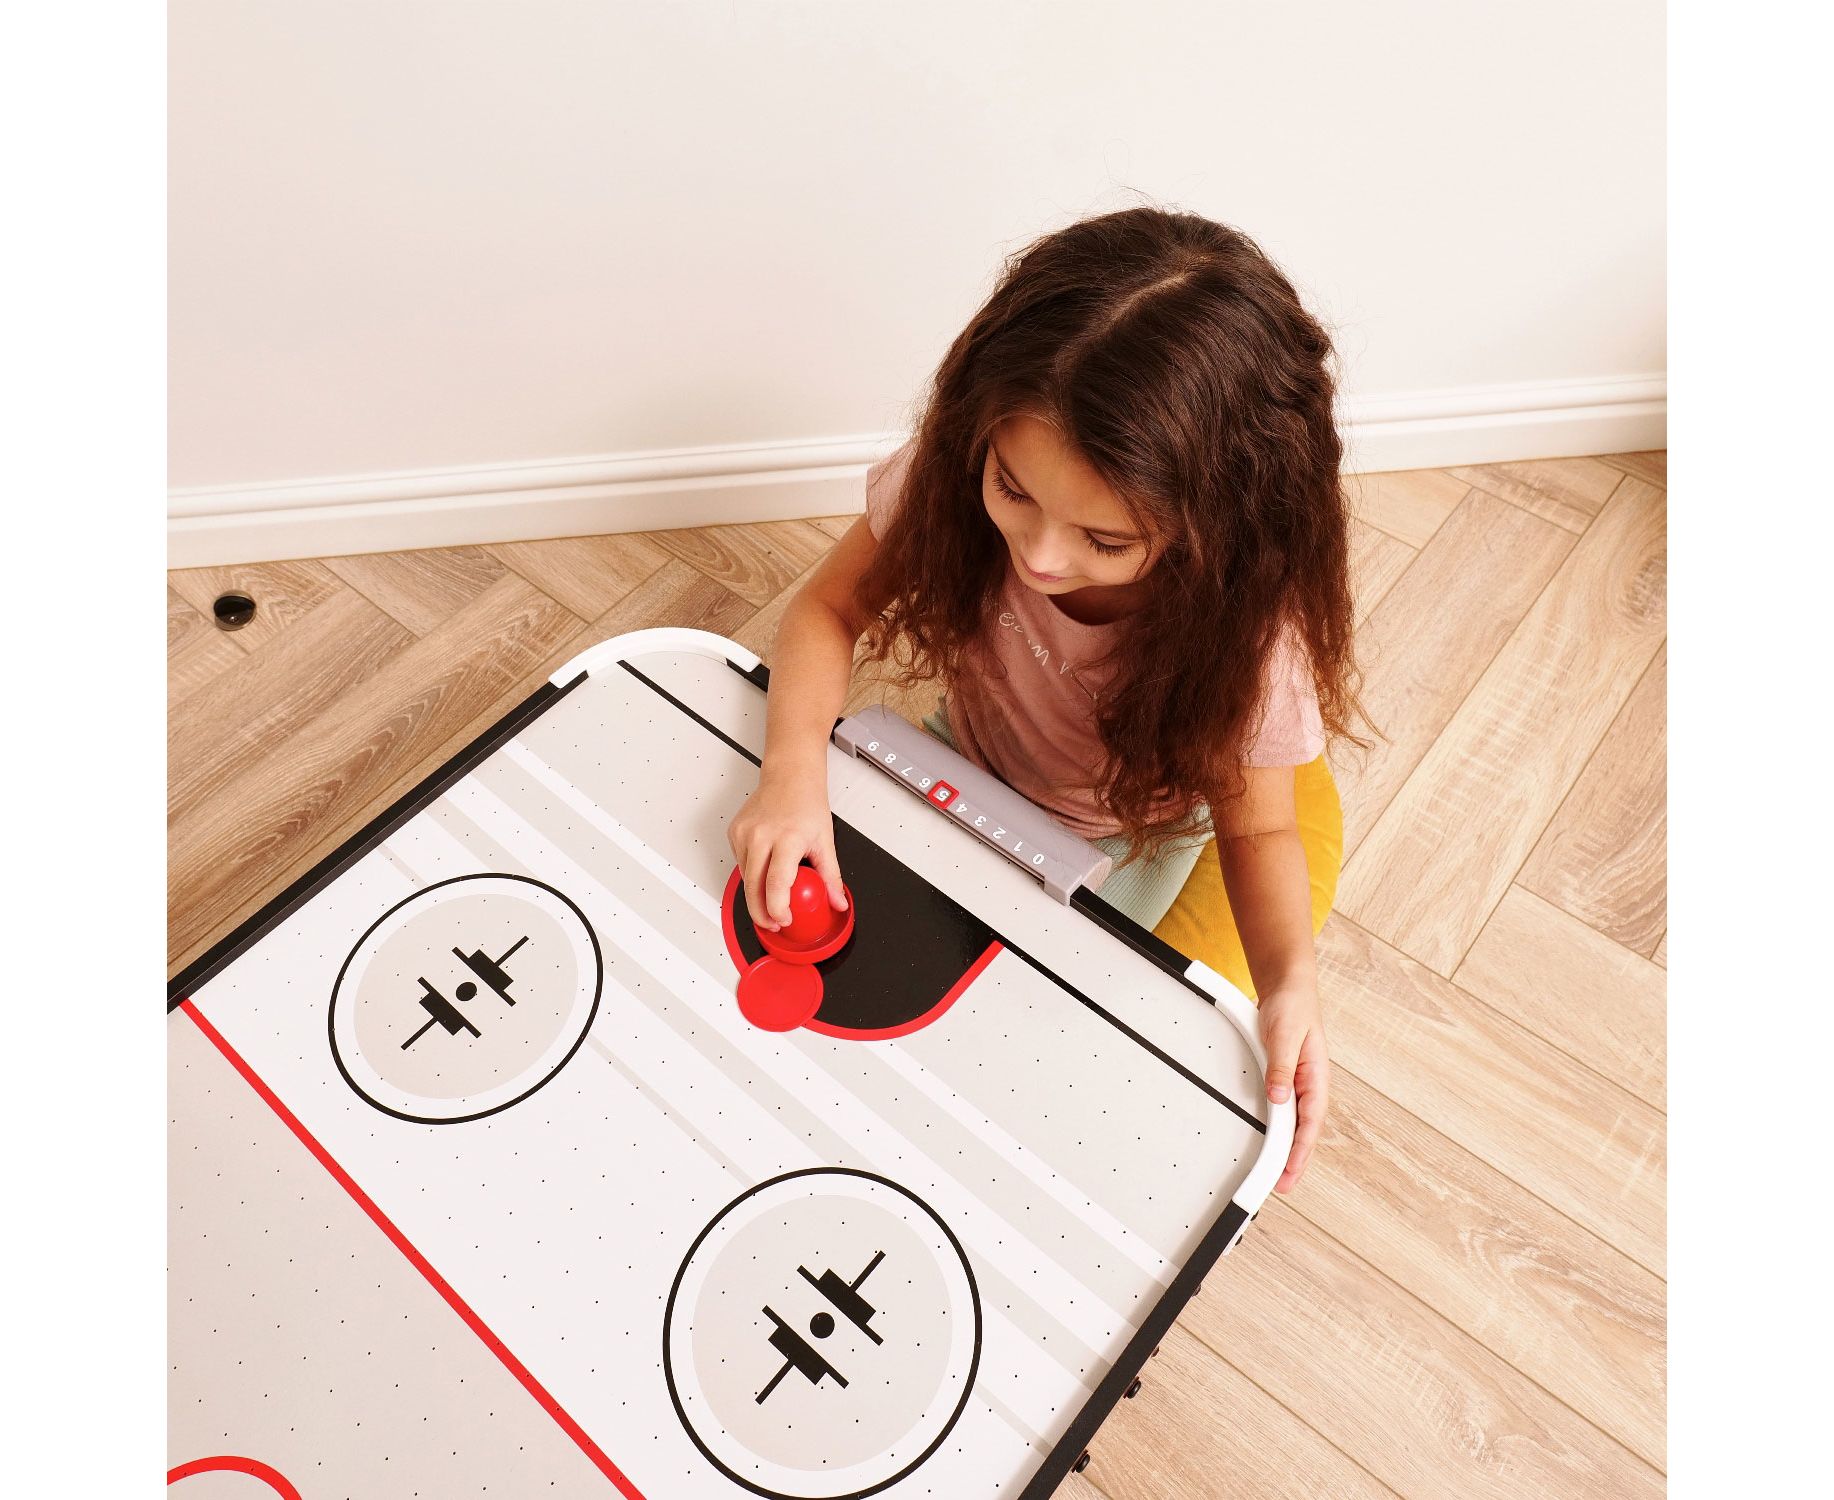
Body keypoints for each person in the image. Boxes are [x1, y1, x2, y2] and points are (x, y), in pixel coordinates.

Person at [727, 205, 1365, 1194]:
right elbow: (828, 606)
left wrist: (1288, 984)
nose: (1038, 556)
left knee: (1037, 1072)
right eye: (1012, 490)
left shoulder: (1244, 635)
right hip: (966, 759)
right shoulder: (957, 470)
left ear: (1214, 531)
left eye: (1104, 541)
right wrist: (789, 772)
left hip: (1124, 835)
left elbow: (1261, 832)